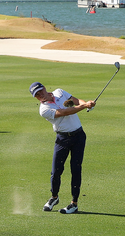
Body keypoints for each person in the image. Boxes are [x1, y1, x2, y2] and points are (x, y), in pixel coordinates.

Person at [30, 81, 96, 214]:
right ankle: (54, 197)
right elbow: (65, 112)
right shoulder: (44, 110)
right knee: (56, 171)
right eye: (37, 95)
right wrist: (84, 106)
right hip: (62, 139)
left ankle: (74, 203)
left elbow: (76, 101)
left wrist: (87, 104)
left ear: (44, 88)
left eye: (40, 91)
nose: (40, 95)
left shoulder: (59, 92)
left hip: (78, 136)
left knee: (76, 169)